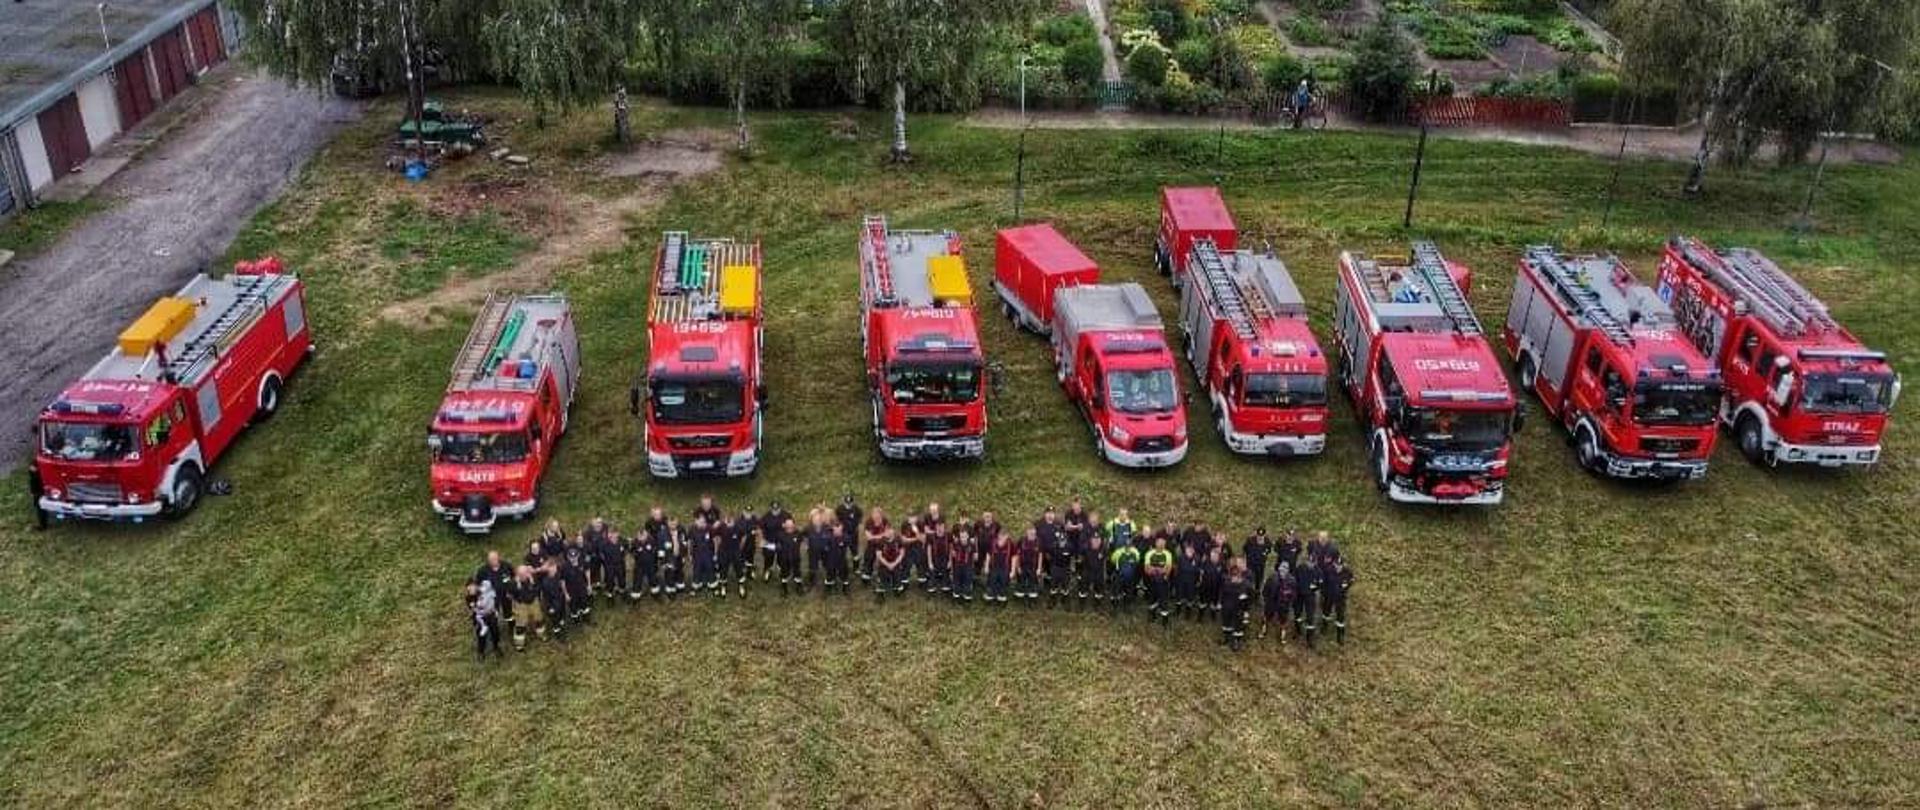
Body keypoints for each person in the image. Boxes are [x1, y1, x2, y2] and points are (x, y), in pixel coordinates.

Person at [473, 551, 515, 637]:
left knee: (509, 613)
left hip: (506, 595)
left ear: (499, 558)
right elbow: (477, 584)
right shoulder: (483, 570)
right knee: (493, 614)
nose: (494, 561)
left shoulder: (506, 565)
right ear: (488, 560)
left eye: (495, 559)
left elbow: (513, 576)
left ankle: (512, 628)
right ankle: (494, 631)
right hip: (491, 598)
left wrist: (511, 590)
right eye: (491, 560)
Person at [1219, 560, 1254, 651]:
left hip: (1239, 610)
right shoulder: (1227, 583)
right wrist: (1220, 604)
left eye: (1236, 576)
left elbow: (1251, 598)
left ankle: (1237, 641)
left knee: (1238, 626)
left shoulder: (1246, 585)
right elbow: (1222, 594)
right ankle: (1226, 638)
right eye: (1232, 576)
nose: (1234, 579)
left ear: (1240, 576)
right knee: (1226, 624)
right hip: (1227, 608)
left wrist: (1246, 611)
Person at [467, 581, 504, 661]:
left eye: (473, 586)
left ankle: (496, 647)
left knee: (495, 631)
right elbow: (473, 608)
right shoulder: (469, 597)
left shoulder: (485, 591)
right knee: (481, 634)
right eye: (469, 587)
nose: (471, 588)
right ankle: (481, 651)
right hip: (480, 617)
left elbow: (494, 599)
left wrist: (494, 609)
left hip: (491, 615)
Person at [1321, 552, 1354, 644]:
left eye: (1340, 565)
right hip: (1329, 596)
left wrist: (1346, 587)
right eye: (1336, 565)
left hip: (1341, 598)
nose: (1338, 567)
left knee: (1340, 616)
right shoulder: (1328, 570)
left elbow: (1351, 581)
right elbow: (1324, 583)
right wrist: (1324, 593)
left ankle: (1340, 635)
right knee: (1326, 612)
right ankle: (1324, 627)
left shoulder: (1348, 571)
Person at [724, 508, 756, 598]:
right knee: (724, 569)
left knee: (739, 568)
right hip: (725, 552)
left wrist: (740, 547)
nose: (728, 520)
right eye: (727, 518)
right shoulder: (721, 527)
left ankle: (741, 586)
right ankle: (723, 586)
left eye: (731, 518)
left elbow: (744, 536)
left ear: (734, 519)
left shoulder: (738, 527)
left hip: (735, 552)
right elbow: (717, 538)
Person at [1045, 516, 1076, 610]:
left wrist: (1072, 567)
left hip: (1065, 568)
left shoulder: (1070, 546)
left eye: (1064, 541)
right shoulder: (1053, 546)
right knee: (1053, 586)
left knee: (1065, 587)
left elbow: (1072, 556)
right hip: (1055, 567)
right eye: (1060, 541)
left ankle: (1065, 600)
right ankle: (1052, 600)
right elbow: (1048, 554)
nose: (1062, 543)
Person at [1143, 537, 1174, 627]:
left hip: (1163, 581)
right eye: (1159, 543)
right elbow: (1146, 569)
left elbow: (1168, 569)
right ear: (1155, 544)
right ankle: (1152, 615)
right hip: (1152, 580)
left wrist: (1156, 569)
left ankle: (1165, 620)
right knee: (1152, 598)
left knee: (1164, 600)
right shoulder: (1149, 553)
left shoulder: (1168, 554)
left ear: (1165, 545)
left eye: (1163, 544)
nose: (1161, 545)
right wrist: (1159, 569)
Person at [1262, 560, 1296, 644]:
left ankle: (1282, 635)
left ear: (1288, 570)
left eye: (1285, 569)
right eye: (1281, 569)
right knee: (1267, 616)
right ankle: (1263, 630)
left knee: (1283, 620)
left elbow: (1294, 593)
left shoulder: (1292, 580)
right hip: (1271, 602)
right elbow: (1265, 589)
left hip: (1284, 604)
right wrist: (1266, 599)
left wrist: (1289, 600)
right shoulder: (1272, 577)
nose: (1282, 571)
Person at [509, 565, 542, 650]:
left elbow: (538, 588)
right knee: (520, 624)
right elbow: (511, 595)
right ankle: (519, 645)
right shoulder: (513, 583)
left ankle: (541, 635)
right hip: (521, 604)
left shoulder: (533, 578)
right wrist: (518, 588)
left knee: (539, 619)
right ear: (517, 574)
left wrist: (533, 584)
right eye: (521, 574)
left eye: (525, 573)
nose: (523, 576)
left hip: (533, 601)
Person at [1078, 515, 1107, 609]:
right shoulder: (1086, 549)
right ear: (1090, 540)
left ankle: (1097, 604)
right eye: (1094, 540)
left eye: (1098, 540)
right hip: (1087, 570)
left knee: (1099, 588)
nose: (1096, 542)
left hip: (1099, 571)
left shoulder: (1103, 549)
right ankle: (1081, 604)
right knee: (1083, 588)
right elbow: (1080, 553)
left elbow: (1106, 556)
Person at [560, 542, 593, 625]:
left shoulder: (582, 562)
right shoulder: (564, 567)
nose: (573, 559)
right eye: (571, 557)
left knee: (584, 605)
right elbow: (562, 581)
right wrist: (566, 594)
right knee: (574, 608)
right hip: (571, 591)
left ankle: (586, 619)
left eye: (575, 556)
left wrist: (589, 584)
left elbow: (587, 571)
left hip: (582, 588)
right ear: (568, 557)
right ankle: (577, 621)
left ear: (578, 555)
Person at [1293, 552, 1321, 648]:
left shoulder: (1318, 572)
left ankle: (1309, 638)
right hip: (1299, 594)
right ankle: (1297, 631)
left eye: (1312, 563)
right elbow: (1294, 579)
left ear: (1316, 562)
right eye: (1309, 562)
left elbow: (1320, 583)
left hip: (1310, 596)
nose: (1310, 564)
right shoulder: (1300, 568)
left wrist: (1315, 588)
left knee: (1310, 617)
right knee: (1297, 613)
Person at [760, 501, 792, 582]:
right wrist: (762, 539)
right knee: (768, 559)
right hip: (769, 542)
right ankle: (767, 571)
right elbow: (760, 527)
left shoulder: (786, 515)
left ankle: (782, 573)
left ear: (780, 508)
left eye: (777, 509)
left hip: (782, 542)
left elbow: (791, 527)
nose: (775, 511)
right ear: (770, 508)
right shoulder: (766, 516)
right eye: (773, 509)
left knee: (782, 559)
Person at [539, 560, 570, 640]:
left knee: (562, 615)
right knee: (555, 619)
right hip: (553, 603)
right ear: (548, 570)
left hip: (561, 600)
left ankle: (562, 627)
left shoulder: (558, 575)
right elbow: (545, 597)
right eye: (552, 568)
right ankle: (558, 633)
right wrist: (550, 607)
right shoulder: (545, 582)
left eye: (555, 567)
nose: (554, 569)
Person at [1109, 540, 1141, 613]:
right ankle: (1114, 607)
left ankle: (1127, 606)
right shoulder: (1118, 552)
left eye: (1129, 545)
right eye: (1126, 545)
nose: (1128, 547)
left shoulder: (1135, 552)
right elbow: (1113, 560)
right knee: (1116, 591)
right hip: (1119, 575)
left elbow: (1137, 561)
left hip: (1130, 576)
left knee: (1129, 592)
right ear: (1124, 545)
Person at [860, 506, 890, 584]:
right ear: (872, 514)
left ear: (881, 515)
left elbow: (887, 534)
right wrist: (881, 535)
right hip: (872, 544)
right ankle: (867, 573)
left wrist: (876, 536)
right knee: (868, 557)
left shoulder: (885, 521)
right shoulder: (868, 522)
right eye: (874, 514)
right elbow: (869, 537)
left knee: (884, 559)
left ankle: (882, 575)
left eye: (878, 514)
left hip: (883, 544)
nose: (876, 516)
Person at [600, 527, 629, 605]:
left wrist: (623, 556)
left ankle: (623, 593)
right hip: (609, 565)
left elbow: (627, 548)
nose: (614, 536)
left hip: (620, 564)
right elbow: (601, 555)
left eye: (615, 534)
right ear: (609, 535)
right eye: (611, 534)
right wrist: (606, 563)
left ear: (618, 533)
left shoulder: (622, 541)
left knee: (622, 579)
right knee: (609, 581)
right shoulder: (604, 544)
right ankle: (610, 597)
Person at [874, 529, 906, 602]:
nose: (888, 533)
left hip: (896, 563)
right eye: (886, 532)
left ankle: (898, 591)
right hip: (884, 564)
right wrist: (888, 564)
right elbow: (879, 555)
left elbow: (902, 553)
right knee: (882, 576)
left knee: (897, 576)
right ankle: (880, 594)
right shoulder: (880, 541)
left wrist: (894, 564)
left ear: (893, 532)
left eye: (890, 531)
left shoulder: (898, 540)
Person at [1014, 527, 1043, 606]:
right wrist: (1018, 567)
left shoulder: (1038, 541)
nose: (1032, 535)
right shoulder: (1021, 541)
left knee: (1033, 583)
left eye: (1034, 534)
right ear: (1027, 533)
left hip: (1033, 567)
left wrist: (1039, 568)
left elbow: (1040, 555)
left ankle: (1032, 600)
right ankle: (1019, 599)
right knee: (1020, 582)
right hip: (1022, 566)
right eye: (1030, 533)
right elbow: (1017, 555)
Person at [689, 517, 718, 596]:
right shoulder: (692, 529)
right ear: (696, 521)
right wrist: (690, 554)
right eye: (700, 522)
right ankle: (696, 587)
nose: (702, 524)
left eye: (704, 522)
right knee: (697, 570)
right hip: (697, 553)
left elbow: (715, 541)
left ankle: (713, 587)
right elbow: (690, 543)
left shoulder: (710, 528)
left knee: (710, 568)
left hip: (708, 553)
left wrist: (715, 553)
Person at [985, 530, 1014, 606]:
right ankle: (991, 598)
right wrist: (986, 566)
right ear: (998, 536)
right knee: (992, 582)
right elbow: (988, 554)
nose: (1002, 538)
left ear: (1007, 536)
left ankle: (1001, 599)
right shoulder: (992, 542)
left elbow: (1014, 557)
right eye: (1001, 536)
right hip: (994, 567)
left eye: (1005, 536)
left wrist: (1013, 570)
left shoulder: (1010, 544)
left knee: (1003, 584)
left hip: (1005, 568)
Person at [806, 507, 833, 591]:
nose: (817, 521)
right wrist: (806, 545)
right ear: (811, 520)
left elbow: (833, 538)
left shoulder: (828, 528)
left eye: (819, 519)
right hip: (813, 551)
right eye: (815, 519)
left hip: (825, 551)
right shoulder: (808, 528)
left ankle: (829, 584)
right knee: (812, 567)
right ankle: (811, 582)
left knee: (827, 567)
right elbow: (801, 536)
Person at [949, 526, 977, 604]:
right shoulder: (956, 544)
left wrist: (972, 568)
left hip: (967, 567)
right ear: (959, 536)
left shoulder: (972, 545)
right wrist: (952, 568)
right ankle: (956, 596)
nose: (963, 538)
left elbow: (975, 558)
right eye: (961, 536)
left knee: (967, 581)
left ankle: (967, 596)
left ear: (968, 536)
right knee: (957, 581)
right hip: (957, 566)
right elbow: (953, 555)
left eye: (964, 536)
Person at [1173, 543, 1200, 620]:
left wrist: (1198, 581)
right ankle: (1178, 611)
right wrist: (1176, 580)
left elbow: (1198, 571)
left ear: (1194, 551)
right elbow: (1176, 570)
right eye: (1188, 550)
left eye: (1191, 550)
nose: (1190, 551)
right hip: (1181, 581)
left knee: (1190, 598)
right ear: (1185, 550)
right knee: (1179, 597)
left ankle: (1188, 613)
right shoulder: (1180, 558)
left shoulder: (1197, 559)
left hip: (1191, 582)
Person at [778, 516, 804, 595]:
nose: (789, 527)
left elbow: (802, 539)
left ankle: (799, 586)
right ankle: (784, 587)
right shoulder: (780, 535)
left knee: (797, 572)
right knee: (784, 573)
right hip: (784, 558)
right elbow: (777, 546)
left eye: (791, 525)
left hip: (795, 558)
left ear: (794, 525)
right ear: (784, 525)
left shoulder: (798, 534)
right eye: (788, 525)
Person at [825, 523, 853, 596]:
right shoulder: (828, 536)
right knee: (830, 574)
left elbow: (849, 542)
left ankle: (845, 588)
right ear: (833, 529)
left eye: (839, 530)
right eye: (836, 530)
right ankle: (829, 587)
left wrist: (841, 538)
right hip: (831, 559)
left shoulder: (845, 537)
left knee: (844, 574)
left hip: (842, 560)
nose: (837, 532)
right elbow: (825, 546)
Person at [1198, 545, 1224, 621]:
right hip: (1205, 586)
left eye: (1216, 556)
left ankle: (1213, 614)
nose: (1214, 557)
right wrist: (1200, 581)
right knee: (1202, 602)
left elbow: (1223, 576)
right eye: (1212, 555)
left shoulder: (1221, 564)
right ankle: (1200, 615)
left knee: (1213, 602)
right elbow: (1201, 573)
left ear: (1219, 556)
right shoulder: (1205, 562)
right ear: (1210, 555)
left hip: (1216, 587)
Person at [926, 519, 952, 595]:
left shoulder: (948, 535)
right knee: (932, 573)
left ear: (944, 527)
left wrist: (950, 561)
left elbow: (951, 549)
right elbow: (929, 550)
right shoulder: (931, 536)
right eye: (938, 527)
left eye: (942, 527)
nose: (940, 529)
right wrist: (930, 562)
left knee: (946, 574)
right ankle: (932, 584)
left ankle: (945, 583)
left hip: (945, 559)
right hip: (934, 559)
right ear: (935, 527)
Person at [1243, 527, 1271, 594]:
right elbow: (1245, 549)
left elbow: (1268, 550)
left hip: (1260, 564)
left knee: (1259, 580)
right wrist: (1250, 556)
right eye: (1258, 536)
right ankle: (1248, 593)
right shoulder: (1250, 540)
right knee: (1249, 579)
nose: (1260, 538)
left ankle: (1257, 593)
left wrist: (1264, 555)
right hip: (1251, 564)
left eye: (1262, 536)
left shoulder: (1267, 541)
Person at [27, 466, 48, 530]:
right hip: (38, 488)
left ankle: (42, 524)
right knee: (39, 505)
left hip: (39, 488)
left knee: (40, 505)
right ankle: (42, 523)